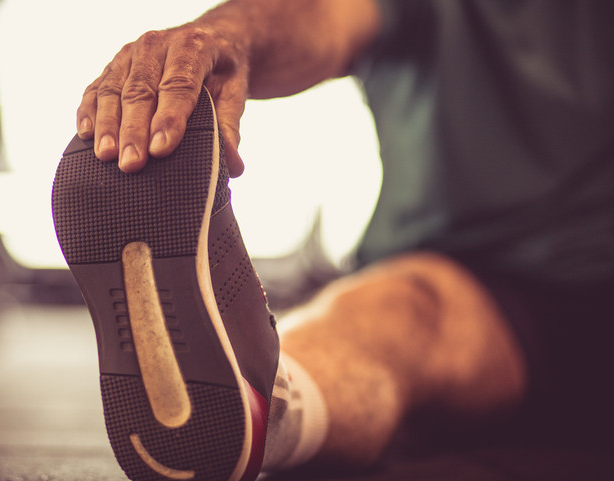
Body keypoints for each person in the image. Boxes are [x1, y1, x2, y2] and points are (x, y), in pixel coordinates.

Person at [68, 0, 614, 477]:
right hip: (480, 285)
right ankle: (259, 401)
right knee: (398, 314)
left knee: (403, 314)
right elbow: (322, 13)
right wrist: (232, 32)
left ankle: (269, 402)